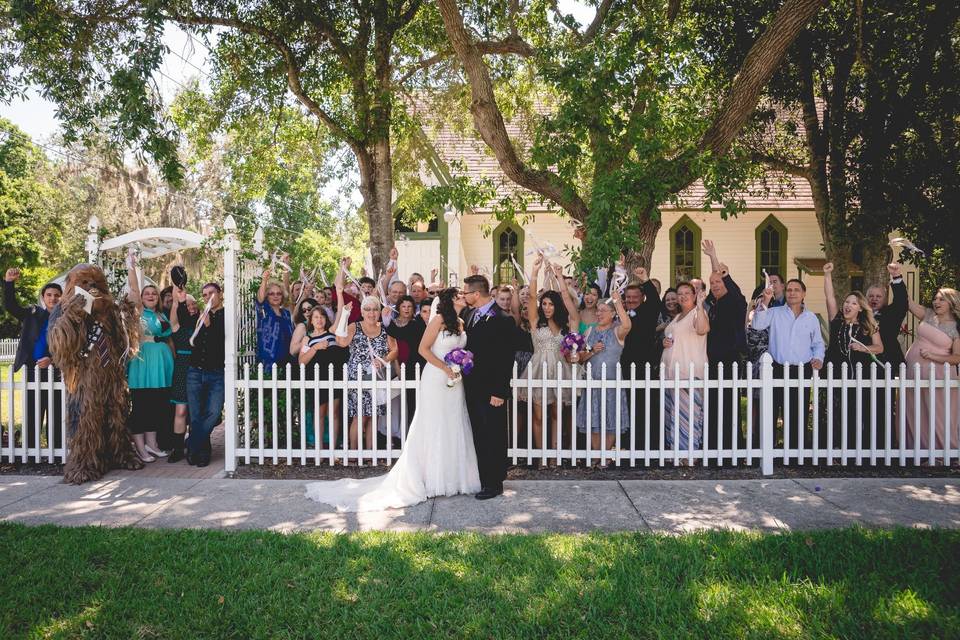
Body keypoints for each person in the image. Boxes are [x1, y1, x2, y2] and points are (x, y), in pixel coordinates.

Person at [305, 288, 480, 510]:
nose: (465, 295)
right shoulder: (437, 320)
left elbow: (396, 349)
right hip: (434, 377)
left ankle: (453, 476)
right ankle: (367, 457)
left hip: (454, 379)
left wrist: (461, 363)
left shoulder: (461, 322)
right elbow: (423, 349)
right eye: (460, 294)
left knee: (453, 423)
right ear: (451, 300)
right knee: (427, 423)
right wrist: (446, 368)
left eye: (374, 309)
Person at [751, 278, 825, 458]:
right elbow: (757, 324)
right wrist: (766, 300)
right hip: (777, 368)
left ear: (804, 293)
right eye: (790, 289)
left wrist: (818, 358)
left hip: (801, 370)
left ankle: (794, 454)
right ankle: (768, 453)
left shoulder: (811, 317)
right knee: (771, 410)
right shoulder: (775, 312)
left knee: (797, 411)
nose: (792, 293)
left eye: (796, 290)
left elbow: (817, 343)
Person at [462, 274, 517, 499]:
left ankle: (494, 483)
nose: (464, 296)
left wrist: (499, 392)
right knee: (480, 434)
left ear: (476, 294)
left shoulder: (503, 319)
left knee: (493, 434)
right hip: (472, 386)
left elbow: (505, 359)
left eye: (466, 292)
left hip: (492, 389)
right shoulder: (470, 314)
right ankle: (484, 478)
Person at [520, 258, 581, 459]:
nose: (546, 307)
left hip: (560, 370)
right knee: (538, 416)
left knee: (557, 414)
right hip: (538, 369)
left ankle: (554, 456)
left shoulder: (568, 325)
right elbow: (530, 297)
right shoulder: (536, 322)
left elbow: (567, 299)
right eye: (544, 303)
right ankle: (541, 457)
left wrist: (559, 278)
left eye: (550, 304)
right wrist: (535, 272)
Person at [333, 272, 399, 452]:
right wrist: (345, 316)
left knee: (374, 416)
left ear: (379, 311)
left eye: (375, 309)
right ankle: (355, 453)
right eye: (367, 309)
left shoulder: (384, 329)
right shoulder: (355, 327)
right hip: (359, 377)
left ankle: (370, 453)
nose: (371, 313)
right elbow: (341, 342)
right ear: (362, 311)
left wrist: (384, 360)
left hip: (377, 376)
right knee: (360, 417)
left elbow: (395, 350)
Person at [822, 262, 884, 451]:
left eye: (853, 303)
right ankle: (834, 448)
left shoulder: (868, 326)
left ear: (860, 308)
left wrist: (862, 347)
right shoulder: (837, 321)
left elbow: (879, 348)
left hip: (859, 375)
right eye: (847, 302)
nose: (848, 305)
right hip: (835, 374)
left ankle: (856, 449)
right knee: (835, 412)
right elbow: (830, 296)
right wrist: (827, 275)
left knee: (857, 412)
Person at [2, 268, 63, 450]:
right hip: (31, 369)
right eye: (49, 295)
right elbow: (11, 306)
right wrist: (9, 283)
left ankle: (56, 449)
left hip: (56, 371)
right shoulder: (33, 313)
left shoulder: (65, 319)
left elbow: (70, 346)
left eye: (57, 295)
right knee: (32, 412)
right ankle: (31, 450)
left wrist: (52, 360)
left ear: (61, 298)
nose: (53, 298)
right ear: (43, 297)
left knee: (55, 412)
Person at [573, 287, 632, 456]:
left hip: (612, 381)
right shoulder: (590, 331)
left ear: (613, 313)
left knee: (611, 417)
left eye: (603, 311)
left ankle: (605, 455)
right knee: (593, 417)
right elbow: (580, 357)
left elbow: (627, 324)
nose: (599, 314)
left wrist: (617, 302)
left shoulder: (617, 330)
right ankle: (596, 454)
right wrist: (591, 351)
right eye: (598, 311)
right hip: (592, 381)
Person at [902, 287, 960, 454]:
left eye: (941, 299)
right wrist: (896, 277)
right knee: (915, 411)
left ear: (952, 302)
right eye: (935, 299)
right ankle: (918, 451)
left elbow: (957, 357)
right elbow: (907, 302)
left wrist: (933, 356)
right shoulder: (928, 315)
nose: (936, 302)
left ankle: (944, 452)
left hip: (939, 377)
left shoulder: (956, 327)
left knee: (938, 415)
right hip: (914, 374)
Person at [703, 240, 747, 451]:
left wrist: (713, 256)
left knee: (728, 406)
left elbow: (722, 277)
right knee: (712, 405)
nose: (714, 286)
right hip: (711, 363)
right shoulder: (713, 304)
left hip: (729, 362)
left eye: (718, 283)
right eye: (712, 284)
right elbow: (716, 279)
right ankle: (713, 447)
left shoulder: (736, 302)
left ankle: (731, 448)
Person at [126, 280, 174, 462]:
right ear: (141, 298)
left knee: (156, 406)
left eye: (154, 293)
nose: (151, 296)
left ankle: (151, 444)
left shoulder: (162, 315)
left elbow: (168, 335)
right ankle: (140, 448)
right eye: (147, 293)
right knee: (141, 407)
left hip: (161, 364)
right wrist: (132, 266)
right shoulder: (138, 313)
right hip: (144, 364)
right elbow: (133, 289)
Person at [661, 282, 710, 456]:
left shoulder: (698, 313)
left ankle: (688, 455)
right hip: (671, 375)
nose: (682, 296)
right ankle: (675, 453)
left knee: (688, 417)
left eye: (686, 293)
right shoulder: (677, 317)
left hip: (688, 374)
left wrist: (700, 306)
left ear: (694, 294)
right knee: (673, 416)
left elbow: (703, 329)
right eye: (679, 293)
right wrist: (664, 342)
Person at [185, 283, 226, 467]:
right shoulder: (201, 316)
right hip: (195, 371)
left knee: (213, 412)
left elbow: (221, 344)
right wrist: (202, 325)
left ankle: (192, 443)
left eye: (211, 293)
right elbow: (195, 343)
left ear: (220, 294)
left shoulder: (227, 315)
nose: (208, 297)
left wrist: (209, 327)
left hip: (216, 372)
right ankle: (202, 452)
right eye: (204, 294)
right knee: (196, 415)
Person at [299, 306, 347, 448]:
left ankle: (333, 448)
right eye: (316, 317)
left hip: (334, 377)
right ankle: (318, 449)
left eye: (322, 317)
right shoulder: (307, 338)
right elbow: (301, 361)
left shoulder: (332, 333)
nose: (319, 320)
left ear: (326, 319)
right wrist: (315, 347)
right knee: (319, 414)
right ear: (311, 320)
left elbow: (342, 317)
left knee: (334, 414)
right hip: (317, 379)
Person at [167, 285, 198, 463]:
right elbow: (174, 312)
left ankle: (195, 445)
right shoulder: (178, 326)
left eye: (193, 304)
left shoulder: (202, 323)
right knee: (181, 410)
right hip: (182, 368)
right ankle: (178, 448)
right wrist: (177, 299)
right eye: (187, 305)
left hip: (198, 368)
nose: (191, 307)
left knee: (196, 412)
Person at [867, 263, 909, 368]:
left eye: (878, 296)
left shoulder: (891, 314)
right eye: (871, 296)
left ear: (885, 299)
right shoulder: (859, 315)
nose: (874, 299)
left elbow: (901, 301)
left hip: (889, 362)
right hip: (864, 364)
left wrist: (896, 276)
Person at [256, 268, 294, 371]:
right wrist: (264, 280)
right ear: (267, 296)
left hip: (287, 363)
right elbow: (260, 299)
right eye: (271, 294)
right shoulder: (264, 311)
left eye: (279, 293)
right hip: (268, 363)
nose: (275, 296)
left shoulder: (286, 314)